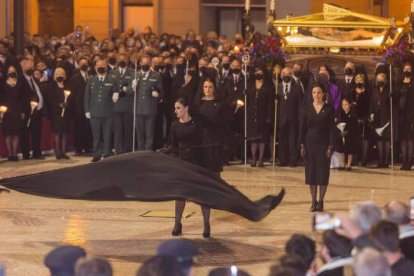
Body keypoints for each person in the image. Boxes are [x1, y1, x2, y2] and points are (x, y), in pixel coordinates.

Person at [168, 97, 211, 238]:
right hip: (182, 164)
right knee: (180, 195)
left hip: (198, 163)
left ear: (186, 108)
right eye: (175, 108)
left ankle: (206, 224)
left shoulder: (197, 124)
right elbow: (173, 146)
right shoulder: (174, 125)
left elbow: (204, 144)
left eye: (178, 108)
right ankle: (177, 224)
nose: (176, 111)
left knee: (203, 196)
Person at [300, 83, 335, 212]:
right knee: (312, 174)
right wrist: (301, 144)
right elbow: (302, 127)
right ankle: (313, 202)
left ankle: (321, 201)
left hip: (324, 143)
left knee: (323, 173)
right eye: (314, 92)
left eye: (319, 92)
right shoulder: (306, 108)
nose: (316, 95)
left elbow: (332, 129)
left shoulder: (329, 109)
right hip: (310, 143)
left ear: (323, 94)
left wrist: (331, 146)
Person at [84, 58, 117, 162]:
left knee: (107, 136)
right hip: (94, 113)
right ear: (95, 67)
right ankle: (96, 154)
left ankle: (107, 154)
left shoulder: (112, 79)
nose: (101, 67)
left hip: (108, 113)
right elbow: (87, 97)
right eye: (98, 66)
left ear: (106, 67)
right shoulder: (91, 80)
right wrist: (87, 110)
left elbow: (115, 93)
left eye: (103, 65)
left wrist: (117, 94)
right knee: (96, 136)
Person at [131, 55, 163, 151]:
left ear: (150, 64)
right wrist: (132, 87)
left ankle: (148, 152)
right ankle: (141, 152)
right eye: (143, 63)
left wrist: (157, 94)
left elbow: (161, 91)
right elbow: (128, 91)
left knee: (149, 134)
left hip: (150, 108)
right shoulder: (135, 75)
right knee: (139, 133)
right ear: (140, 63)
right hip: (138, 108)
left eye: (147, 63)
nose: (145, 65)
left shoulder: (156, 75)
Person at [19, 57, 45, 160]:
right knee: (25, 133)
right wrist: (21, 111)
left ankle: (37, 153)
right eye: (27, 65)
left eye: (31, 65)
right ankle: (26, 154)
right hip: (26, 111)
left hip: (37, 111)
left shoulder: (34, 78)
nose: (30, 67)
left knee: (36, 132)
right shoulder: (20, 79)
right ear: (23, 66)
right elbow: (19, 96)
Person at [277, 67, 302, 167]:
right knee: (282, 139)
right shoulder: (278, 87)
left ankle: (293, 160)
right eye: (285, 74)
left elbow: (300, 104)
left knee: (293, 140)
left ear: (291, 75)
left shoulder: (297, 87)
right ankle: (283, 159)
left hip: (293, 118)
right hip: (281, 118)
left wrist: (300, 118)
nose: (286, 76)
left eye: (289, 74)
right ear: (281, 75)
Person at [46, 67, 73, 159]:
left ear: (64, 76)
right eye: (57, 74)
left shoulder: (67, 85)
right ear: (54, 76)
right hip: (56, 113)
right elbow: (49, 99)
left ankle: (64, 152)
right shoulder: (51, 86)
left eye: (61, 74)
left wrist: (67, 103)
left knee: (64, 133)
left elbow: (71, 97)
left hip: (66, 113)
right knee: (58, 133)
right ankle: (58, 152)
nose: (59, 76)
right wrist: (59, 104)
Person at [111, 53, 135, 154]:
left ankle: (127, 152)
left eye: (124, 59)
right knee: (117, 131)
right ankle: (118, 151)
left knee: (128, 131)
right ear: (117, 60)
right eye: (120, 59)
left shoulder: (133, 72)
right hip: (116, 106)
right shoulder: (112, 73)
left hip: (128, 105)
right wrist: (114, 93)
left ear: (128, 60)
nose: (122, 61)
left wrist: (125, 91)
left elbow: (132, 88)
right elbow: (110, 87)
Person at [0, 65, 25, 161]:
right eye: (10, 70)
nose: (11, 72)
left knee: (16, 133)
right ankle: (10, 154)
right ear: (7, 72)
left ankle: (14, 154)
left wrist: (22, 110)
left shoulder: (19, 83)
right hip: (6, 111)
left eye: (13, 70)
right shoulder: (3, 83)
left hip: (17, 110)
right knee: (8, 133)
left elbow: (22, 98)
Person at [69, 56, 92, 155]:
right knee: (79, 129)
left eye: (86, 63)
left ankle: (88, 147)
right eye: (82, 63)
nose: (84, 65)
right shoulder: (75, 77)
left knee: (88, 128)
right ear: (78, 65)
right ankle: (78, 149)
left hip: (90, 107)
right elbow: (72, 94)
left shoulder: (91, 76)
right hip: (79, 108)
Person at [369, 73, 392, 168]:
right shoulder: (374, 90)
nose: (379, 81)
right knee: (379, 139)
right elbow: (371, 103)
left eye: (381, 79)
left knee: (386, 139)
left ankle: (386, 160)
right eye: (377, 79)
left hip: (386, 117)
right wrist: (371, 113)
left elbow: (391, 105)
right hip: (377, 117)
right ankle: (380, 159)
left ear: (386, 81)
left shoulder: (389, 91)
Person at [394, 62, 414, 170]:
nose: (407, 71)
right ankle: (404, 160)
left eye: (409, 69)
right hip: (400, 115)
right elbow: (396, 95)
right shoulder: (400, 83)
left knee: (410, 139)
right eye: (405, 69)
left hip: (410, 114)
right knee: (402, 139)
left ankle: (409, 161)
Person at [350, 74, 371, 166]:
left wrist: (366, 117)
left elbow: (370, 105)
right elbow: (349, 104)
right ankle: (355, 159)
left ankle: (364, 159)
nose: (359, 82)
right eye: (357, 80)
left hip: (365, 118)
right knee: (355, 138)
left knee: (365, 138)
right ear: (355, 81)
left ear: (364, 82)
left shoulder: (367, 93)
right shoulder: (351, 92)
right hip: (354, 118)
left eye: (361, 80)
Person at [335, 97, 358, 170]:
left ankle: (349, 164)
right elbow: (337, 123)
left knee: (350, 149)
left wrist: (347, 132)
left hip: (350, 134)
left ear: (350, 105)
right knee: (341, 149)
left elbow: (354, 126)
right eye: (343, 105)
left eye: (346, 104)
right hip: (341, 134)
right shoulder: (340, 114)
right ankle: (342, 164)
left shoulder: (353, 114)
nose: (344, 106)